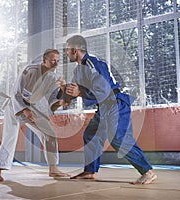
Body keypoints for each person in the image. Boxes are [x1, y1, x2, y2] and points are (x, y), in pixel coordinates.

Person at [57, 35, 157, 184]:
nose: (66, 53)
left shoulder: (93, 63)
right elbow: (75, 91)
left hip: (115, 103)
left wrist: (80, 92)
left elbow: (103, 89)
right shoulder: (78, 71)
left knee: (118, 139)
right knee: (91, 135)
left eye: (67, 50)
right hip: (103, 108)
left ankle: (147, 171)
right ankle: (90, 171)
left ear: (75, 50)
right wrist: (64, 91)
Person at [0, 49, 70, 182]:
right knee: (9, 137)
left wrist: (63, 91)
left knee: (49, 133)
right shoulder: (30, 70)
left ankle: (53, 168)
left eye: (57, 61)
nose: (56, 63)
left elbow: (52, 99)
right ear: (44, 60)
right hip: (15, 106)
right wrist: (25, 110)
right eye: (52, 61)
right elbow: (17, 92)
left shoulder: (52, 77)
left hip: (33, 108)